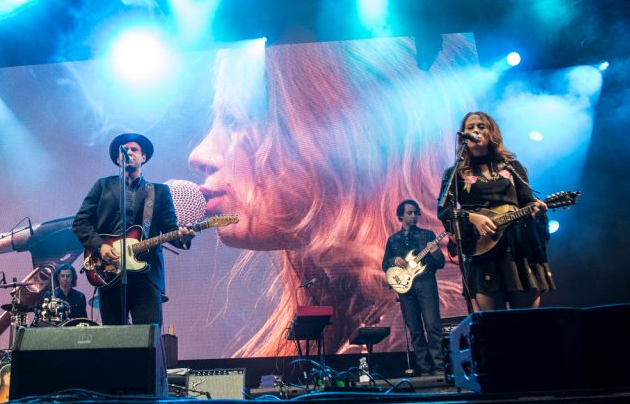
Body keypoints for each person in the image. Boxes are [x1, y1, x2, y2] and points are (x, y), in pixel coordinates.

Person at [188, 36, 477, 357]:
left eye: (232, 120)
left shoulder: (428, 318)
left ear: (340, 134)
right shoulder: (386, 313)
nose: (199, 154)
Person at [73, 133, 193, 326]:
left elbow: (171, 230)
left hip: (146, 276)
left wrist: (184, 237)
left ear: (143, 157)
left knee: (147, 341)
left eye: (134, 149)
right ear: (118, 158)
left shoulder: (159, 192)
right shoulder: (102, 186)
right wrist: (100, 247)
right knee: (113, 341)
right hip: (109, 272)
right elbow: (81, 222)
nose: (129, 152)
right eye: (125, 150)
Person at [437, 111, 553, 310]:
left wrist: (536, 211)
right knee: (496, 327)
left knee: (528, 324)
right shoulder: (455, 172)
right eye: (470, 127)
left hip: (518, 246)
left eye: (481, 126)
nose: (475, 131)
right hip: (484, 251)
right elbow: (444, 211)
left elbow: (527, 202)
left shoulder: (513, 166)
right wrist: (472, 217)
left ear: (492, 132)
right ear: (463, 135)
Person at [382, 200, 445, 375]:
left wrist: (435, 252)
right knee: (415, 329)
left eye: (416, 213)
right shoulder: (393, 240)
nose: (414, 216)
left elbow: (440, 263)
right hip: (405, 288)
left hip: (426, 282)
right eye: (410, 213)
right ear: (401, 215)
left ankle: (439, 369)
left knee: (433, 326)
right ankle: (425, 370)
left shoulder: (428, 235)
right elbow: (384, 265)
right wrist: (393, 261)